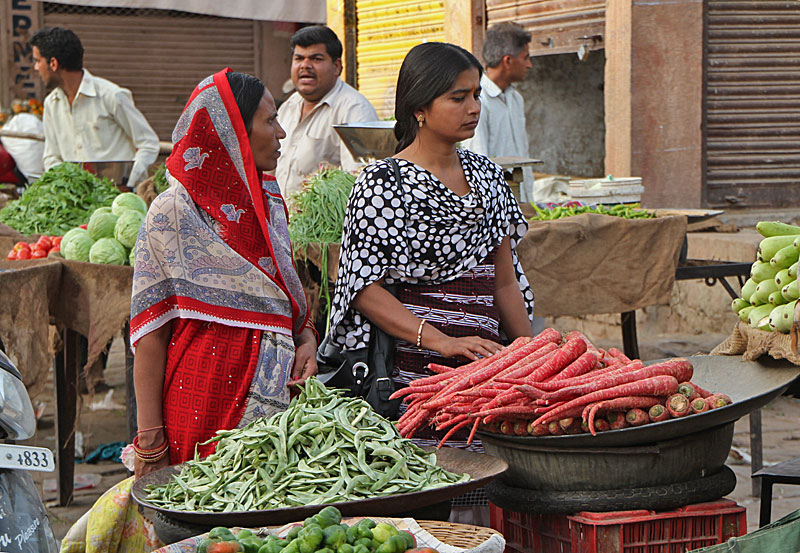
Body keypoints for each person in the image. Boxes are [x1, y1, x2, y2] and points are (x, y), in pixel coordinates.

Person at [326, 42, 535, 524]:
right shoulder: (384, 183)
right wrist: (441, 340)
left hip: (487, 376)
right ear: (419, 108)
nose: (474, 108)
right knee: (432, 505)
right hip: (418, 381)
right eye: (457, 98)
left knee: (488, 498)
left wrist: (531, 354)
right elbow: (362, 287)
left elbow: (504, 283)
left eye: (476, 95)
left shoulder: (488, 177)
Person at [129, 69, 318, 479]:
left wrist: (306, 340)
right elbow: (151, 333)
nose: (282, 132)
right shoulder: (173, 214)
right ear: (232, 133)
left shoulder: (268, 204)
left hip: (277, 418)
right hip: (201, 409)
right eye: (269, 121)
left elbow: (283, 299)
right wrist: (149, 441)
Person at [30, 27, 159, 190]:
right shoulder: (51, 103)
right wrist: (65, 188)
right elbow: (52, 156)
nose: (36, 68)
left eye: (37, 61)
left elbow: (148, 142)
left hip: (116, 198)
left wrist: (130, 183)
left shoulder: (111, 96)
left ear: (53, 63)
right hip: (77, 201)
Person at [275, 25, 377, 198]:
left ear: (337, 66)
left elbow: (359, 181)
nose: (305, 66)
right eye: (299, 58)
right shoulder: (288, 106)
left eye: (316, 59)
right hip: (283, 222)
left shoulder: (354, 110)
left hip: (327, 224)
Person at [461, 22, 534, 202]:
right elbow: (477, 159)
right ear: (508, 60)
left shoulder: (516, 98)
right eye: (526, 58)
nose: (529, 65)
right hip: (496, 204)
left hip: (522, 200)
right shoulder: (478, 100)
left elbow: (522, 152)